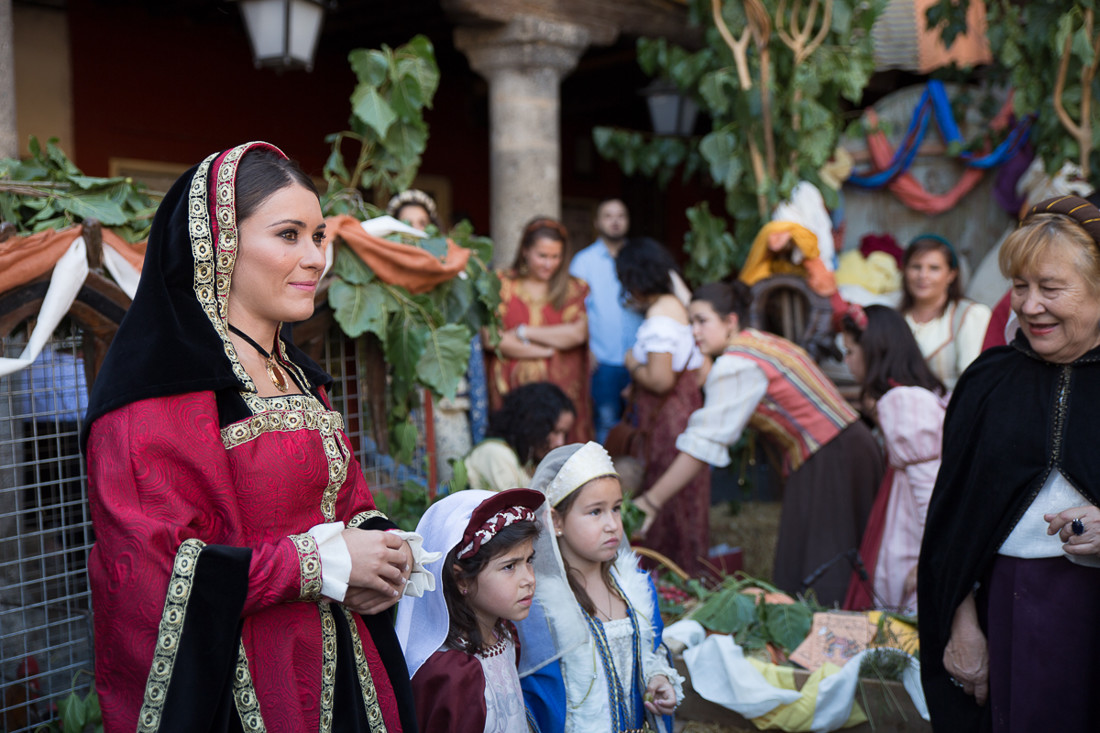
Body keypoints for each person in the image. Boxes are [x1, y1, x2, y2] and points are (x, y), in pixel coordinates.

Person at [82, 142, 429, 731]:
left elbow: (348, 502)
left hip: (347, 673)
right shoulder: (156, 401)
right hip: (249, 690)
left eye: (318, 237)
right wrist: (316, 564)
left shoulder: (300, 379)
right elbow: (154, 577)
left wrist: (383, 551)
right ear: (219, 243)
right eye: (289, 235)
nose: (315, 258)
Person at [919, 195, 1100, 732]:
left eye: (1051, 288)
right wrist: (962, 624)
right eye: (1020, 286)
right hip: (1006, 607)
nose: (1029, 305)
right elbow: (951, 523)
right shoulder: (988, 383)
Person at [636, 281, 883, 606]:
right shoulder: (758, 343)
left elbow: (703, 443)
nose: (694, 331)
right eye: (690, 322)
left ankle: (831, 634)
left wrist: (651, 501)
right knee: (822, 563)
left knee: (824, 570)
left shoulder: (737, 363)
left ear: (730, 321)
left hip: (832, 456)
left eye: (702, 321)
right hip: (842, 447)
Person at [517, 442, 682, 733]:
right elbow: (539, 695)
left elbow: (650, 649)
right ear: (555, 520)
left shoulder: (634, 587)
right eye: (595, 512)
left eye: (616, 509)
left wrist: (658, 678)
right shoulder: (542, 605)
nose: (613, 525)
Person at [396, 488, 544, 732]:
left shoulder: (505, 635)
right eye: (509, 566)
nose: (529, 579)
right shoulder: (452, 675)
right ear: (461, 580)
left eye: (529, 560)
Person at [840, 305, 947, 614]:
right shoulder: (913, 394)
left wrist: (928, 560)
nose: (846, 361)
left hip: (912, 529)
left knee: (903, 606)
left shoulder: (902, 401)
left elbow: (928, 488)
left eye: (850, 352)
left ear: (872, 351)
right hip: (906, 513)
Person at [615, 237, 709, 575]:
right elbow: (699, 371)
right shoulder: (680, 306)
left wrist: (632, 363)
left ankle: (668, 576)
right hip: (685, 411)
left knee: (666, 499)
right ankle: (688, 573)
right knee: (686, 498)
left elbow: (660, 379)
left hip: (666, 422)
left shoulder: (659, 318)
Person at [484, 217, 592, 442]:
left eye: (555, 256)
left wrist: (523, 332)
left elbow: (577, 334)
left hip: (561, 388)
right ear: (525, 251)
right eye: (542, 256)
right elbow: (491, 338)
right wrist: (546, 350)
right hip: (510, 390)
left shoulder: (575, 288)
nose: (549, 264)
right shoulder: (501, 284)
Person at [569, 199, 643, 442]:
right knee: (605, 423)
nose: (615, 221)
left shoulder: (640, 258)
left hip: (641, 358)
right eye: (608, 216)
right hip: (602, 358)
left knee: (640, 425)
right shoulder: (583, 262)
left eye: (621, 215)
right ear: (597, 222)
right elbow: (574, 309)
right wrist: (586, 348)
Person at [898, 234, 991, 389]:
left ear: (951, 275)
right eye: (916, 267)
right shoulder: (895, 316)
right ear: (904, 270)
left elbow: (974, 382)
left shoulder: (970, 315)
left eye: (934, 268)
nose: (923, 276)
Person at [464, 381, 575, 493]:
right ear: (532, 423)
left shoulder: (528, 462)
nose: (560, 442)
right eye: (555, 431)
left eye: (564, 434)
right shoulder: (495, 453)